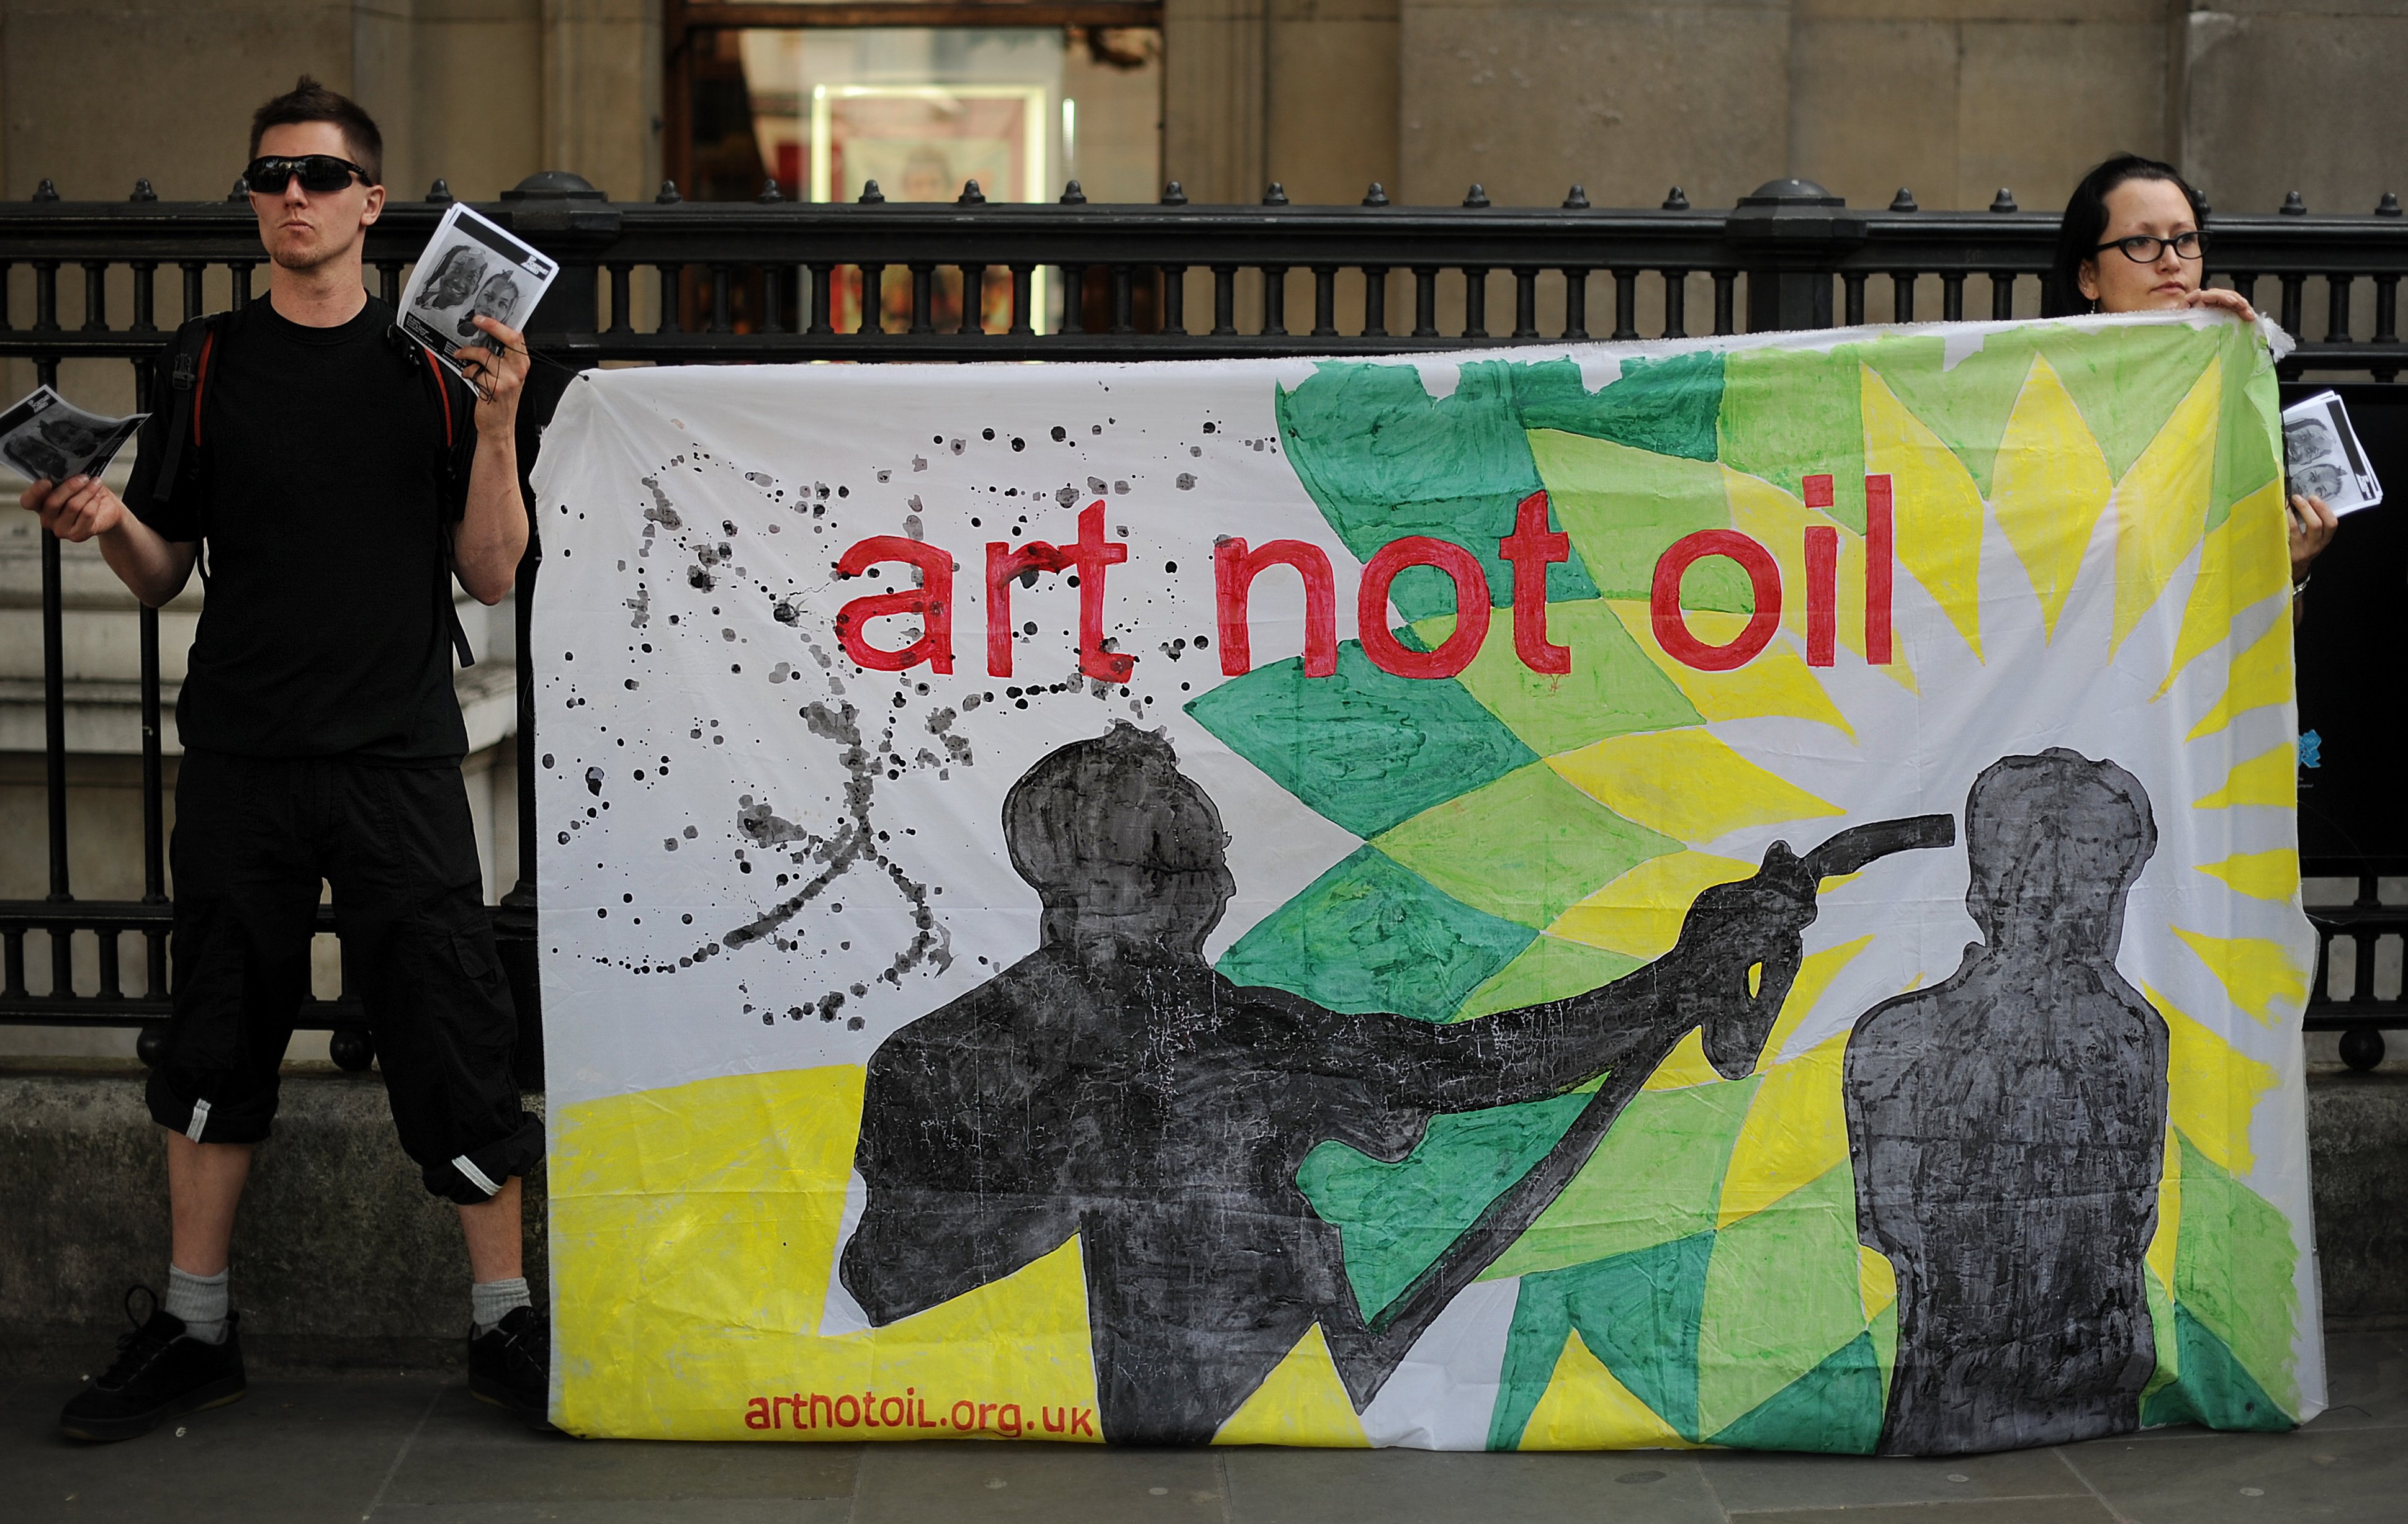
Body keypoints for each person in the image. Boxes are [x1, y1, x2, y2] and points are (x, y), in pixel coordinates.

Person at [840, 723, 1890, 1444]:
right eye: (1183, 884)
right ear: (1088, 889)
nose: (1211, 905)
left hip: (1319, 1393)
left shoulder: (1248, 1028)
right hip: (1159, 1429)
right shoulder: (947, 1056)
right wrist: (1143, 1136)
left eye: (1205, 885)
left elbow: (1475, 1063)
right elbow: (890, 1281)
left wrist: (1681, 974)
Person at [20, 78, 546, 1441]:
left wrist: (497, 427)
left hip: (397, 759)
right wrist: (101, 523)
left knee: (450, 1028)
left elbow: (489, 570)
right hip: (246, 755)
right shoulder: (202, 363)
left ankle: (506, 1327)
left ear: (374, 203)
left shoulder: (438, 369)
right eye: (269, 178)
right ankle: (193, 1328)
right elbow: (160, 566)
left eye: (319, 177)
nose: (292, 199)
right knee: (214, 1033)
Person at [1844, 750, 2167, 1453]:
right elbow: (2136, 1216)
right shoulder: (2134, 1035)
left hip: (1947, 1396)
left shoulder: (1890, 1039)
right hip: (2081, 1390)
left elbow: (1887, 1223)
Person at [2045, 153, 2336, 601]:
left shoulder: (2234, 379)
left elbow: (2262, 640)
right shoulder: (2040, 394)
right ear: (2088, 276)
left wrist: (2293, 572)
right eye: (2141, 242)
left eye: (2185, 239)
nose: (2170, 260)